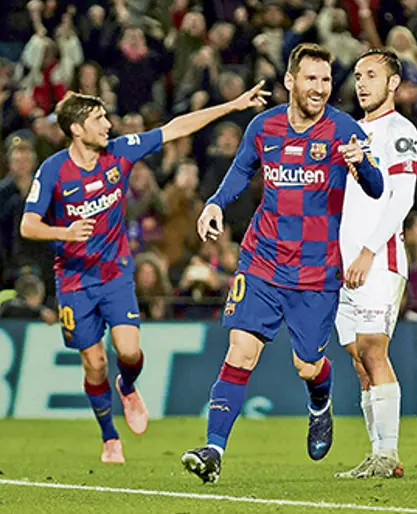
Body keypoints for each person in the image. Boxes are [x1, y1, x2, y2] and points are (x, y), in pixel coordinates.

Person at [20, 83, 268, 464]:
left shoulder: (120, 152)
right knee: (94, 363)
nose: (108, 124)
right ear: (77, 129)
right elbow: (28, 225)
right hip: (73, 279)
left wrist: (232, 105)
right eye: (99, 119)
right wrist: (64, 233)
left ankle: (128, 384)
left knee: (129, 352)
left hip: (115, 272)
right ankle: (109, 438)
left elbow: (176, 127)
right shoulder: (53, 170)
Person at [180, 43, 384, 484]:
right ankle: (213, 450)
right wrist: (215, 203)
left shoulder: (344, 129)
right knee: (240, 351)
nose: (320, 88)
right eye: (311, 78)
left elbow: (376, 187)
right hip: (262, 261)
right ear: (290, 81)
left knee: (307, 365)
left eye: (326, 80)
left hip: (315, 272)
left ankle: (319, 402)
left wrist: (362, 164)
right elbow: (241, 170)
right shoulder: (264, 126)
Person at [335, 49, 417, 479]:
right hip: (342, 263)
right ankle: (376, 452)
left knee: (373, 348)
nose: (362, 83)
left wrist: (369, 251)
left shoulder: (400, 131)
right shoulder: (350, 132)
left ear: (392, 83)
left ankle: (388, 454)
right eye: (357, 75)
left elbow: (401, 199)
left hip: (378, 259)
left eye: (372, 75)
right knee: (358, 358)